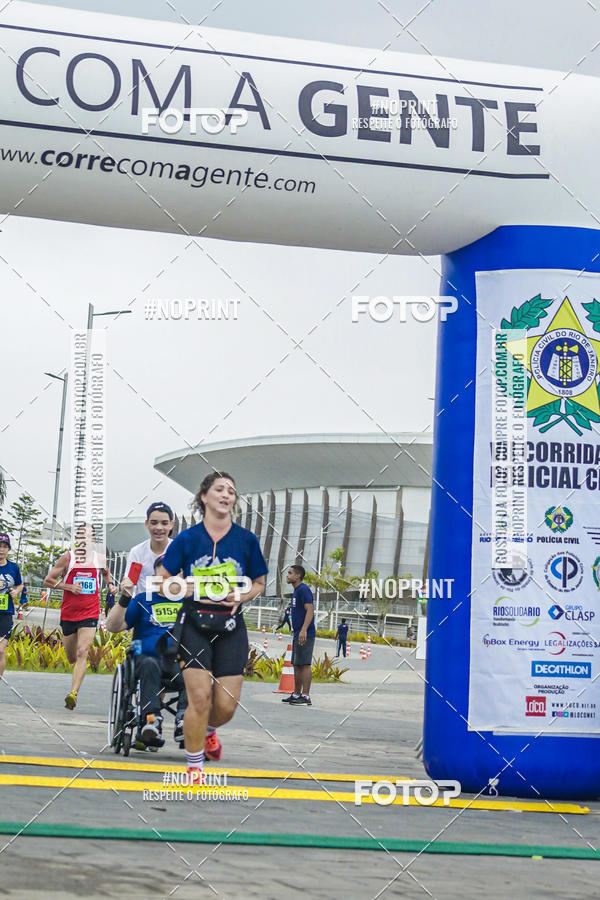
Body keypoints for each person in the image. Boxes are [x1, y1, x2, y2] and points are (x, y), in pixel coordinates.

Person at [158, 472, 267, 782]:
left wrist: (242, 595)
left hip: (231, 626)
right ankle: (195, 767)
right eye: (219, 489)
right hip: (194, 624)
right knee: (200, 698)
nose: (226, 495)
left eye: (231, 491)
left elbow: (259, 582)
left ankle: (207, 731)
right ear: (204, 497)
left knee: (225, 706)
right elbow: (162, 581)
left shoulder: (246, 540)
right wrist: (184, 588)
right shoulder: (188, 539)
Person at [106, 556, 187, 745]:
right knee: (150, 664)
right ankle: (151, 720)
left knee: (195, 670)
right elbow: (112, 626)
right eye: (164, 574)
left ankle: (185, 719)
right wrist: (125, 598)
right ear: (154, 577)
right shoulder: (143, 599)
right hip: (147, 660)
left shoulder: (188, 605)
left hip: (177, 662)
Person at [44, 524, 117, 709]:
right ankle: (76, 678)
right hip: (69, 613)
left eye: (89, 536)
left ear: (93, 539)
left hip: (90, 612)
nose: (85, 539)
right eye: (82, 536)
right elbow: (48, 580)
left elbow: (107, 574)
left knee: (82, 651)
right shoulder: (68, 558)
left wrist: (110, 586)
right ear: (77, 538)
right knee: (71, 657)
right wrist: (68, 587)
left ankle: (73, 694)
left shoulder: (99, 559)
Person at [120, 502, 174, 598]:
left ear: (171, 524)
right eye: (154, 523)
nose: (159, 527)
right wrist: (126, 586)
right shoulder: (137, 552)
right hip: (145, 606)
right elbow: (130, 584)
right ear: (147, 524)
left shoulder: (179, 550)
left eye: (164, 523)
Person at [282, 565, 315, 706]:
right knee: (297, 664)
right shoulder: (296, 591)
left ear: (298, 576)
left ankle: (306, 696)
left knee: (305, 664)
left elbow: (310, 609)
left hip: (304, 634)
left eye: (290, 573)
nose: (287, 575)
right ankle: (296, 694)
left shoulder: (303, 590)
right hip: (297, 633)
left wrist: (304, 630)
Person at [0, 534, 22, 680]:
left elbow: (20, 584)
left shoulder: (13, 567)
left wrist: (16, 591)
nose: (1, 550)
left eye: (4, 547)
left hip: (6, 613)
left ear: (8, 549)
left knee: (1, 650)